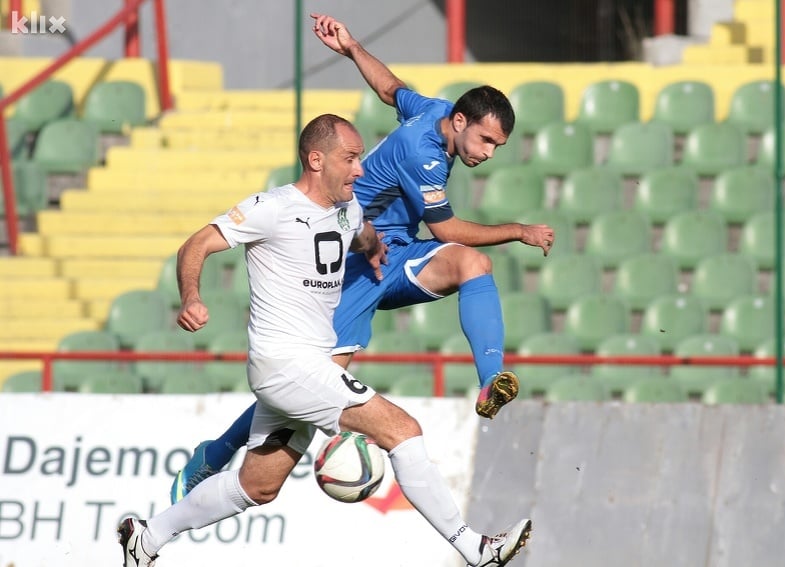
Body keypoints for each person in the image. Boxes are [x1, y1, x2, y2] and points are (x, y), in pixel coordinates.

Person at [169, 12, 556, 503]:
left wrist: (352, 47)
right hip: (352, 258)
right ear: (461, 122)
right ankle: (217, 454)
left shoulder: (432, 111)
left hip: (390, 250)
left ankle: (489, 381)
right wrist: (518, 230)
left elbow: (391, 88)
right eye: (485, 140)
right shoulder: (424, 153)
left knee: (472, 265)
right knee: (319, 380)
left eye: (497, 146)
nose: (489, 153)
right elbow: (447, 228)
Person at [117, 114, 532, 567]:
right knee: (403, 431)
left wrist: (374, 249)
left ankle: (148, 537)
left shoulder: (347, 208)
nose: (359, 168)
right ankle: (475, 549)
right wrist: (191, 297)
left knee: (258, 485)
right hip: (287, 365)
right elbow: (195, 245)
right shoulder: (271, 207)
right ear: (316, 160)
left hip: (303, 369)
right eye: (350, 158)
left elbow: (361, 231)